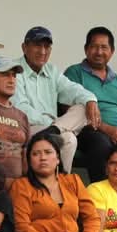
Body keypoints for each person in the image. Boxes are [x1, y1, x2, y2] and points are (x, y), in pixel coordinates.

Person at [11, 26, 97, 173]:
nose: (42, 51)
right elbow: (21, 108)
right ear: (24, 47)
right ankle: (60, 178)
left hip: (53, 128)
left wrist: (91, 100)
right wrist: (53, 124)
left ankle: (60, 180)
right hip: (27, 127)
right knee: (68, 138)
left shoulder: (52, 70)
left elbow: (72, 89)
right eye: (37, 46)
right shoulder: (14, 69)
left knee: (82, 109)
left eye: (47, 47)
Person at [65, 27, 117, 183]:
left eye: (104, 47)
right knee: (101, 145)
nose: (99, 52)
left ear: (112, 51)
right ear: (86, 49)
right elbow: (67, 109)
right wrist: (106, 128)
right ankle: (101, 194)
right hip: (88, 131)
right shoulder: (74, 73)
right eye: (94, 46)